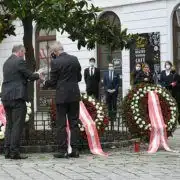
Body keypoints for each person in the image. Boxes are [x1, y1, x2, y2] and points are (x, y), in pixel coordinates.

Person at [1, 45, 40, 159]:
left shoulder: (6, 62)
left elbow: (17, 78)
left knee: (9, 125)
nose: (24, 55)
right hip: (17, 97)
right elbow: (30, 75)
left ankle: (7, 151)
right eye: (23, 52)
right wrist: (38, 74)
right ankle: (14, 152)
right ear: (20, 51)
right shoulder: (19, 62)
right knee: (17, 125)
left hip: (6, 97)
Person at [44, 41, 82, 158]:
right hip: (74, 95)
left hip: (62, 97)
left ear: (55, 52)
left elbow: (53, 81)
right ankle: (75, 150)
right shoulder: (74, 59)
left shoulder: (55, 62)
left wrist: (45, 82)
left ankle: (62, 150)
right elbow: (79, 77)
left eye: (52, 52)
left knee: (61, 125)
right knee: (74, 123)